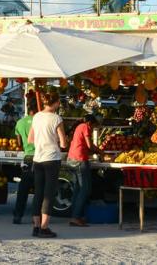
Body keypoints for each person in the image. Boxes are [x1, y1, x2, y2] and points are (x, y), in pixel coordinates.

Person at [28, 93, 67, 238]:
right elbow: (63, 143)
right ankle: (44, 227)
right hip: (52, 158)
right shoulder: (56, 118)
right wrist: (57, 140)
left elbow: (30, 139)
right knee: (48, 194)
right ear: (56, 103)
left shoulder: (37, 116)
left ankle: (36, 226)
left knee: (38, 192)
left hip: (38, 158)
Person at [67, 114, 101, 227]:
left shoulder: (79, 127)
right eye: (94, 126)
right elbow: (89, 145)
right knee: (85, 189)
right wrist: (100, 151)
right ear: (90, 123)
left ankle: (74, 216)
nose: (93, 129)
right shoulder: (85, 127)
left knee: (77, 189)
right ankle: (76, 217)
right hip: (79, 160)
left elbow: (84, 146)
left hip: (71, 159)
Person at [13, 100, 37, 224]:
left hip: (27, 157)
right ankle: (36, 218)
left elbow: (18, 143)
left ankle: (17, 216)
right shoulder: (40, 122)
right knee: (39, 190)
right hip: (39, 157)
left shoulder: (20, 122)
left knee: (23, 189)